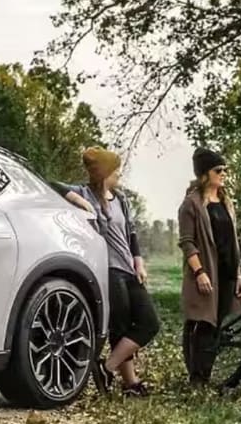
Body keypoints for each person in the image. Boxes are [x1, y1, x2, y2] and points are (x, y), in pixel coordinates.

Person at [49, 147, 160, 396]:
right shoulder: (84, 192)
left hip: (129, 269)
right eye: (114, 169)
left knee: (149, 323)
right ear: (103, 173)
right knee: (120, 327)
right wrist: (78, 201)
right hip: (108, 269)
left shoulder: (120, 199)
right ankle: (130, 384)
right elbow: (50, 184)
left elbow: (130, 233)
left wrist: (139, 261)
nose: (119, 173)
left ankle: (106, 368)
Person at [178, 148, 241, 385]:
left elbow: (233, 242)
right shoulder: (191, 204)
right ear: (205, 174)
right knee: (200, 323)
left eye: (225, 169)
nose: (223, 173)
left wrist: (238, 275)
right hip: (205, 273)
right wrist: (199, 272)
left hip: (226, 273)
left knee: (216, 324)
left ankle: (204, 373)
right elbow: (187, 243)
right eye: (218, 170)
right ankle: (196, 376)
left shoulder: (227, 203)